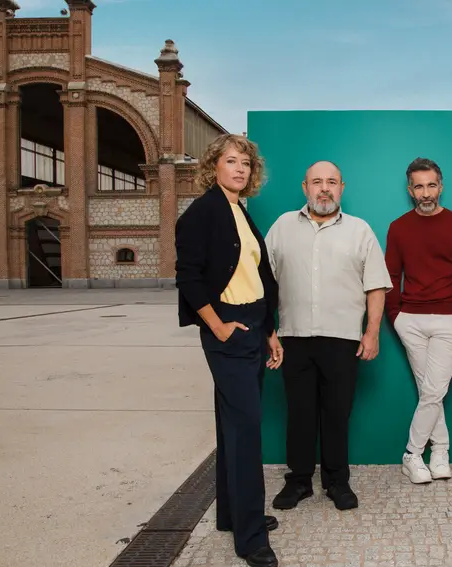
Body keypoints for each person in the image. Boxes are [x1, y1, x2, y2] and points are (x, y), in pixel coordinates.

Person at [174, 134, 284, 567]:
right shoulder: (202, 213)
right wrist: (217, 327)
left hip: (254, 326)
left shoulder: (239, 209)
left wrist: (269, 331)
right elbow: (189, 276)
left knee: (231, 423)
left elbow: (258, 278)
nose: (240, 169)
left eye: (245, 164)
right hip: (230, 331)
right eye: (231, 161)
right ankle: (251, 537)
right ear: (214, 166)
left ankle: (231, 515)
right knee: (246, 429)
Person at [265, 160, 392, 511]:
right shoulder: (281, 228)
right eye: (317, 182)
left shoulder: (360, 231)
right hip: (294, 337)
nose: (324, 188)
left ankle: (338, 482)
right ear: (304, 187)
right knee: (299, 412)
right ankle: (300, 481)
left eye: (331, 182)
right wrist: (268, 330)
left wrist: (372, 333)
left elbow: (376, 286)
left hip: (342, 340)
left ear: (342, 188)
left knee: (337, 413)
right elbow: (262, 282)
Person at [384, 157, 452, 484]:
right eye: (418, 186)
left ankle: (412, 453)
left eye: (431, 185)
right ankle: (440, 453)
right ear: (410, 190)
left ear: (441, 186)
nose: (425, 193)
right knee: (429, 390)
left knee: (433, 391)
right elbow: (391, 275)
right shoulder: (399, 227)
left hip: (450, 319)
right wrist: (396, 318)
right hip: (411, 321)